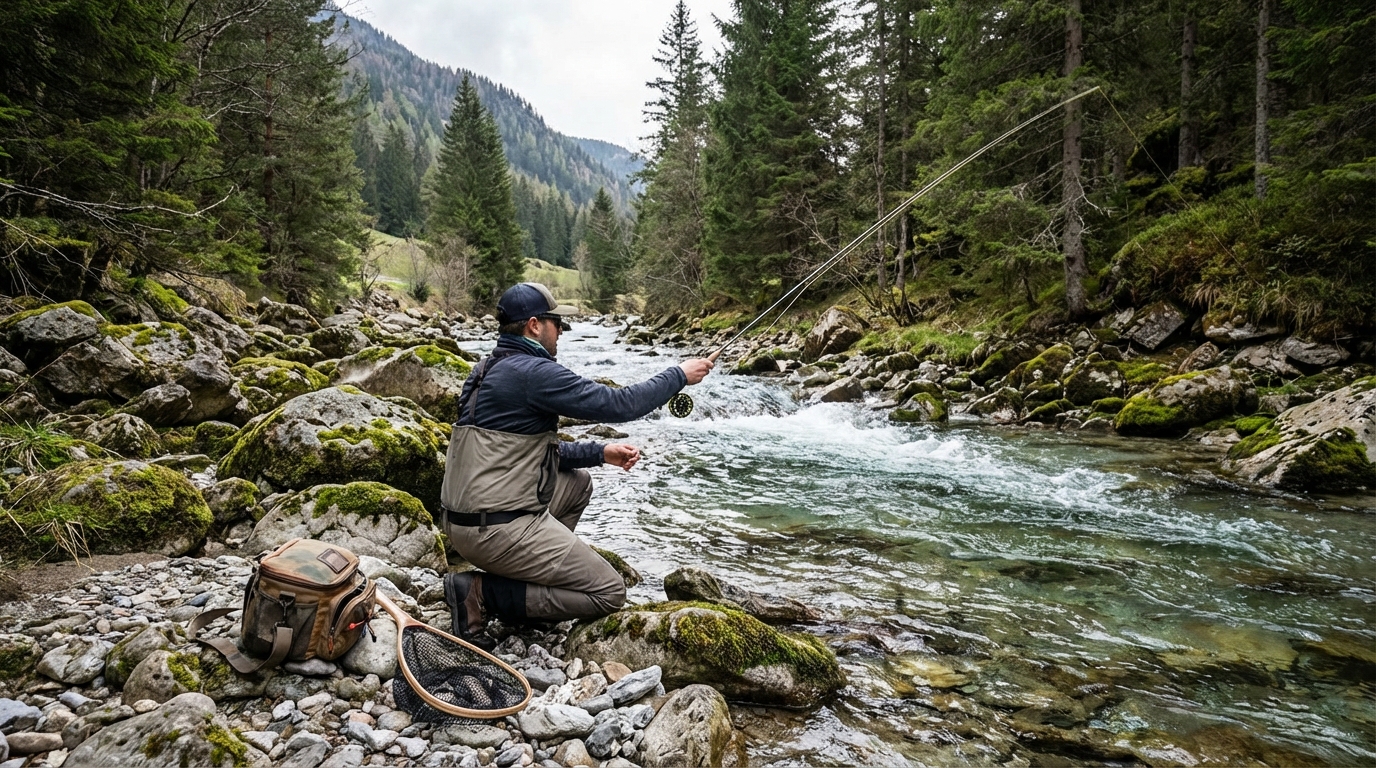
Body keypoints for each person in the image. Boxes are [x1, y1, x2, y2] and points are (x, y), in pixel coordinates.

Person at [440, 282, 713, 646]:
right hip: (495, 530)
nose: (562, 330)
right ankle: (481, 592)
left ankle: (528, 590)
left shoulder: (485, 370)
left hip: (462, 523)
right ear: (534, 325)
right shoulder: (533, 373)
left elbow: (524, 452)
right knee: (608, 592)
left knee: (577, 483)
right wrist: (678, 375)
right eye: (557, 323)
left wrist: (600, 452)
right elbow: (620, 404)